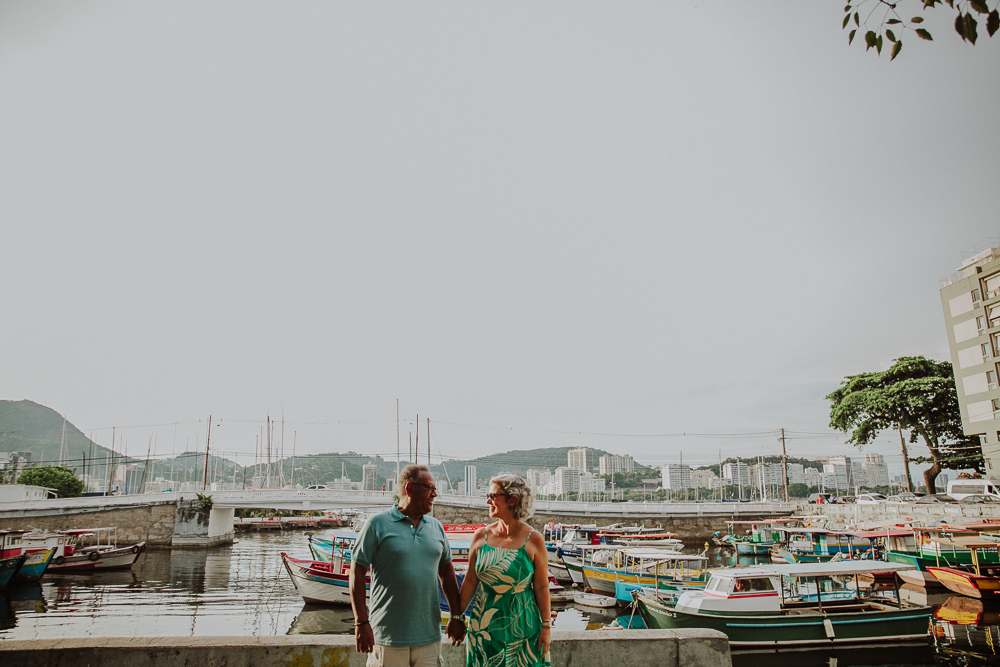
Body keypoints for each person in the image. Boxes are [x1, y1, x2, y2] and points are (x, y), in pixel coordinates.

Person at [350, 465, 466, 667]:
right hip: (387, 637)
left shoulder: (436, 527)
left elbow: (446, 572)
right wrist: (361, 622)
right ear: (410, 488)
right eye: (429, 488)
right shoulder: (377, 524)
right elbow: (357, 571)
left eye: (434, 488)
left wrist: (456, 616)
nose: (435, 494)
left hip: (429, 636)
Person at [458, 474, 551, 667]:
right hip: (484, 627)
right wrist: (457, 617)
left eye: (492, 496)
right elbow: (470, 582)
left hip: (523, 628)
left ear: (512, 500)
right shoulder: (480, 536)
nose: (487, 500)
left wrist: (546, 627)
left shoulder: (534, 539)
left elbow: (542, 587)